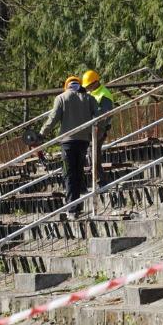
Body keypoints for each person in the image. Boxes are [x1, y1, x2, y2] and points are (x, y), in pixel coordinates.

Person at [40, 76, 98, 219]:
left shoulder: (61, 98)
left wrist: (42, 134)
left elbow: (53, 119)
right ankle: (77, 206)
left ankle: (71, 209)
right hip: (84, 141)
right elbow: (98, 115)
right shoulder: (89, 98)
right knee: (79, 172)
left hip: (67, 143)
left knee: (69, 175)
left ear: (66, 86)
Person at [82, 70, 114, 188]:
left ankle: (101, 181)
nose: (88, 88)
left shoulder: (104, 94)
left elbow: (106, 115)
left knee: (93, 153)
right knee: (92, 153)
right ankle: (98, 179)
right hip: (91, 128)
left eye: (89, 85)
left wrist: (97, 127)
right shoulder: (92, 93)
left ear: (95, 82)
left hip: (98, 129)